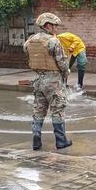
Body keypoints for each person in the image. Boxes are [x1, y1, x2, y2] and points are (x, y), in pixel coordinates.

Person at [23, 12, 72, 150]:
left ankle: (36, 138)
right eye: (55, 26)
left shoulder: (30, 41)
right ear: (48, 25)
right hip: (54, 81)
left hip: (38, 80)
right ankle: (61, 141)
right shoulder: (53, 41)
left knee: (39, 110)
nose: (56, 28)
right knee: (57, 109)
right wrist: (66, 72)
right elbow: (61, 62)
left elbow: (29, 57)